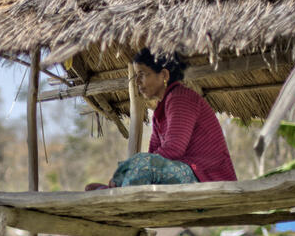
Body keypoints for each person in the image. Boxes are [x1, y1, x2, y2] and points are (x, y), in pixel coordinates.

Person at [86, 48, 237, 190]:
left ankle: (119, 196)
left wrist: (131, 166)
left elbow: (173, 149)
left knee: (143, 163)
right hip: (189, 172)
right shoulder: (161, 110)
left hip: (209, 177)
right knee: (143, 163)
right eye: (136, 76)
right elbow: (154, 154)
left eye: (143, 74)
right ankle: (119, 190)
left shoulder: (181, 98)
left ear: (164, 75)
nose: (138, 82)